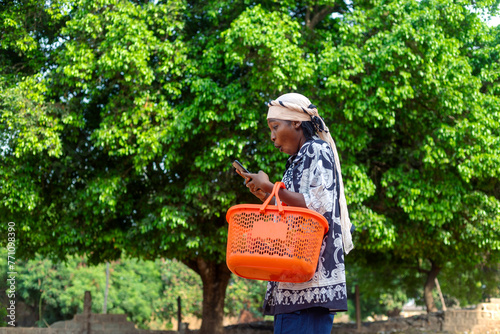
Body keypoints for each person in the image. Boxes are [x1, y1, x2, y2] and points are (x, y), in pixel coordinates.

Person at [240, 93, 354, 334]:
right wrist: (266, 196)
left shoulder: (317, 150)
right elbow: (294, 215)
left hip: (308, 288)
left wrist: (271, 187)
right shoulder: (296, 160)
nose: (272, 136)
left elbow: (317, 208)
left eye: (274, 127)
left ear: (296, 122)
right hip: (293, 284)